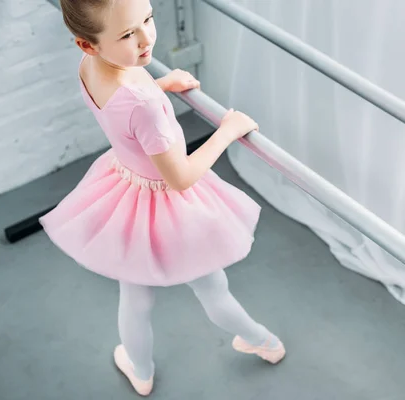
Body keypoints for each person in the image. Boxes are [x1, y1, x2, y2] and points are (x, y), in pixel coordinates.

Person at [40, 0, 285, 395]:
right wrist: (226, 130)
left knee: (135, 300)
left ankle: (141, 370)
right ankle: (264, 342)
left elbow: (124, 106)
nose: (145, 38)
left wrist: (159, 84)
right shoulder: (145, 105)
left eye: (148, 19)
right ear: (88, 44)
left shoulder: (90, 68)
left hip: (126, 192)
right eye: (127, 34)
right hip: (170, 207)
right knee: (211, 288)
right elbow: (182, 177)